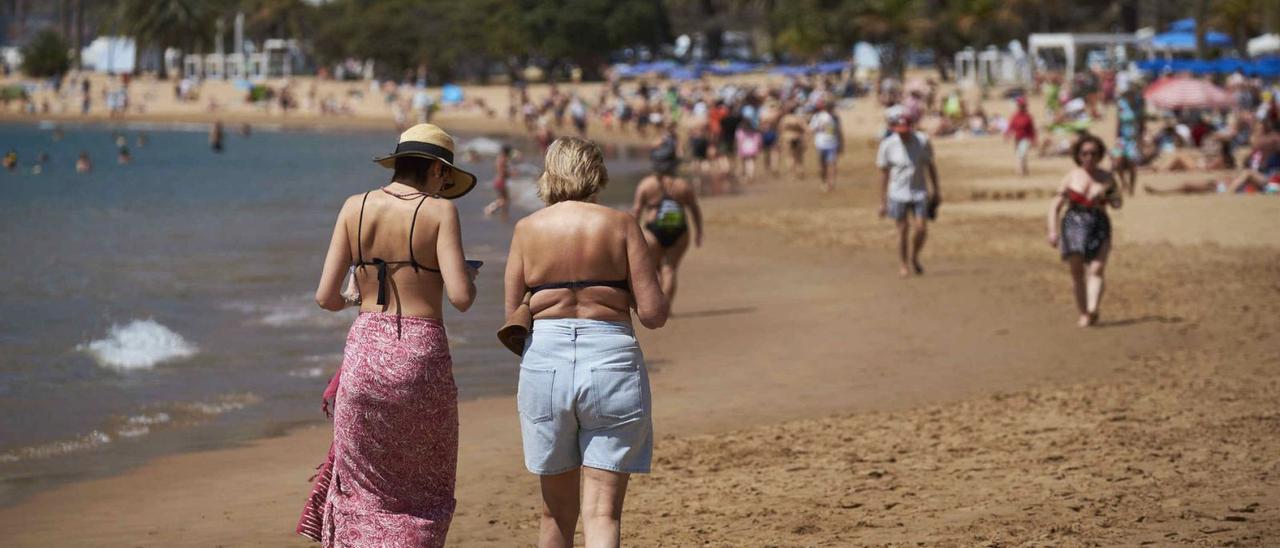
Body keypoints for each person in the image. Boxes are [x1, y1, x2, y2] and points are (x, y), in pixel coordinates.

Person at [298, 124, 479, 547]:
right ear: (436, 169)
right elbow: (462, 298)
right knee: (422, 489)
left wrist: (351, 298)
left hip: (365, 352)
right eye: (445, 179)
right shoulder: (439, 212)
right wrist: (466, 274)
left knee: (363, 488)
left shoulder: (353, 207)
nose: (444, 187)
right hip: (419, 356)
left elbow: (325, 296)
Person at [504, 137, 668, 548]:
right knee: (602, 513)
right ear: (596, 172)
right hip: (610, 357)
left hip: (546, 361)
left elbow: (512, 314)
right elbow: (653, 314)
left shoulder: (526, 230)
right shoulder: (621, 224)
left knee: (555, 515)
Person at [1046, 134, 1122, 328]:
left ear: (1099, 155)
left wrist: (1108, 193)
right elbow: (1055, 205)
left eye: (1094, 153)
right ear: (1078, 155)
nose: (1089, 157)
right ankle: (1085, 313)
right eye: (1085, 153)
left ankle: (1093, 307)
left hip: (1099, 223)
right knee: (1077, 272)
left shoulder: (1106, 177)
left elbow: (1117, 204)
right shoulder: (1071, 176)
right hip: (1074, 223)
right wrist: (1052, 231)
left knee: (1097, 268)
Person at [634, 146, 703, 308]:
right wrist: (699, 231)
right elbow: (694, 209)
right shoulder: (683, 186)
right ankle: (666, 307)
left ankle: (655, 305)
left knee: (652, 269)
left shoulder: (646, 185)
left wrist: (632, 235)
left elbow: (637, 211)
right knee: (669, 269)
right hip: (679, 231)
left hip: (653, 231)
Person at [877, 108, 940, 277]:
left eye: (906, 131)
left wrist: (936, 190)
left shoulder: (922, 141)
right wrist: (882, 201)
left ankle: (914, 257)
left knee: (921, 229)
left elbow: (930, 166)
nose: (903, 134)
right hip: (897, 194)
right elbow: (884, 174)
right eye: (900, 131)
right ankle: (903, 264)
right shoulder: (887, 145)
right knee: (902, 231)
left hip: (919, 192)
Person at [1112, 86, 1146, 195]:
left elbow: (1142, 125)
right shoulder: (1122, 104)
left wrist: (1141, 142)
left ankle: (1131, 188)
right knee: (1117, 162)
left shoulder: (1139, 105)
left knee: (1132, 164)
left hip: (1134, 139)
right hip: (1122, 138)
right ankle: (1123, 183)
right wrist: (1116, 139)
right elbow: (1118, 122)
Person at [810, 100, 839, 192]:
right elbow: (813, 129)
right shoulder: (819, 116)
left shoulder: (834, 117)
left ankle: (829, 183)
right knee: (827, 164)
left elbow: (812, 129)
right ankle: (826, 182)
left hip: (827, 143)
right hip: (823, 143)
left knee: (830, 164)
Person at [1004, 96, 1037, 176]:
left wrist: (1034, 140)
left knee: (1021, 154)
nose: (1021, 107)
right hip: (1017, 139)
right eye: (1020, 105)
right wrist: (1007, 134)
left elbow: (1032, 130)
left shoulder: (1028, 117)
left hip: (1025, 139)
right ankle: (1025, 171)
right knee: (1021, 155)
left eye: (1023, 105)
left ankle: (1020, 172)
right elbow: (1011, 126)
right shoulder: (1015, 116)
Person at [484, 144, 513, 220]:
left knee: (504, 199)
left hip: (498, 180)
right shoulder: (503, 159)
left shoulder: (499, 158)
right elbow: (502, 172)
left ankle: (503, 215)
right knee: (505, 200)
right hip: (501, 181)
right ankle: (491, 209)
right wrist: (511, 174)